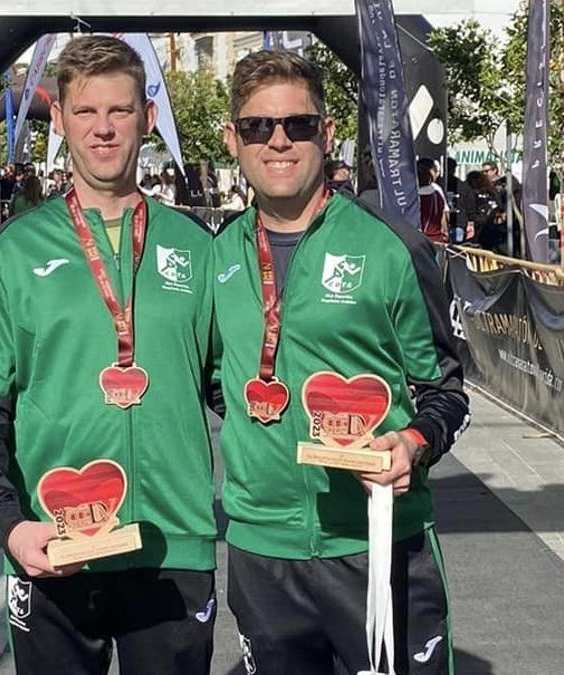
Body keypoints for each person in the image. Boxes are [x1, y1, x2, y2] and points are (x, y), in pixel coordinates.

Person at [0, 35, 218, 675]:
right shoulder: (15, 251)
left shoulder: (197, 246)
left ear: (147, 120)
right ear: (63, 122)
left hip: (172, 548)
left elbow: (234, 390)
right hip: (54, 543)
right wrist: (9, 527)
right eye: (86, 113)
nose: (103, 130)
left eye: (120, 112)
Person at [212, 49, 470, 674]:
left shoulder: (391, 247)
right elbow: (218, 383)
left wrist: (411, 441)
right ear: (232, 140)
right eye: (257, 127)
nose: (278, 141)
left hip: (376, 543)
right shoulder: (215, 257)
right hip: (262, 551)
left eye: (298, 124)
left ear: (327, 135)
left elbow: (447, 388)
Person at [466, 169, 503, 252]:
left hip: (478, 226)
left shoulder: (471, 193)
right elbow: (499, 206)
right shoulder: (492, 192)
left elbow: (470, 210)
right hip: (491, 226)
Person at [440, 157, 475, 243]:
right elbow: (470, 205)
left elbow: (470, 204)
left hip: (450, 224)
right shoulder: (463, 185)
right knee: (456, 251)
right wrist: (470, 223)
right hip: (457, 224)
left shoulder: (438, 184)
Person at [417, 157, 448, 244]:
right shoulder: (437, 192)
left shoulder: (413, 196)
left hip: (420, 240)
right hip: (437, 238)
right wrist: (445, 232)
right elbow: (444, 214)